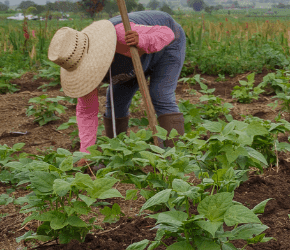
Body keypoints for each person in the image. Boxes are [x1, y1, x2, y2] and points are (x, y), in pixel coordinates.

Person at [46, 10, 188, 152]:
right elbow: (87, 112)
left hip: (168, 47)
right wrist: (86, 152)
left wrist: (142, 40)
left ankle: (175, 154)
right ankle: (118, 151)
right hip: (131, 63)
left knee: (160, 94)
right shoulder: (77, 62)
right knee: (115, 102)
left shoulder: (120, 32)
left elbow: (166, 33)